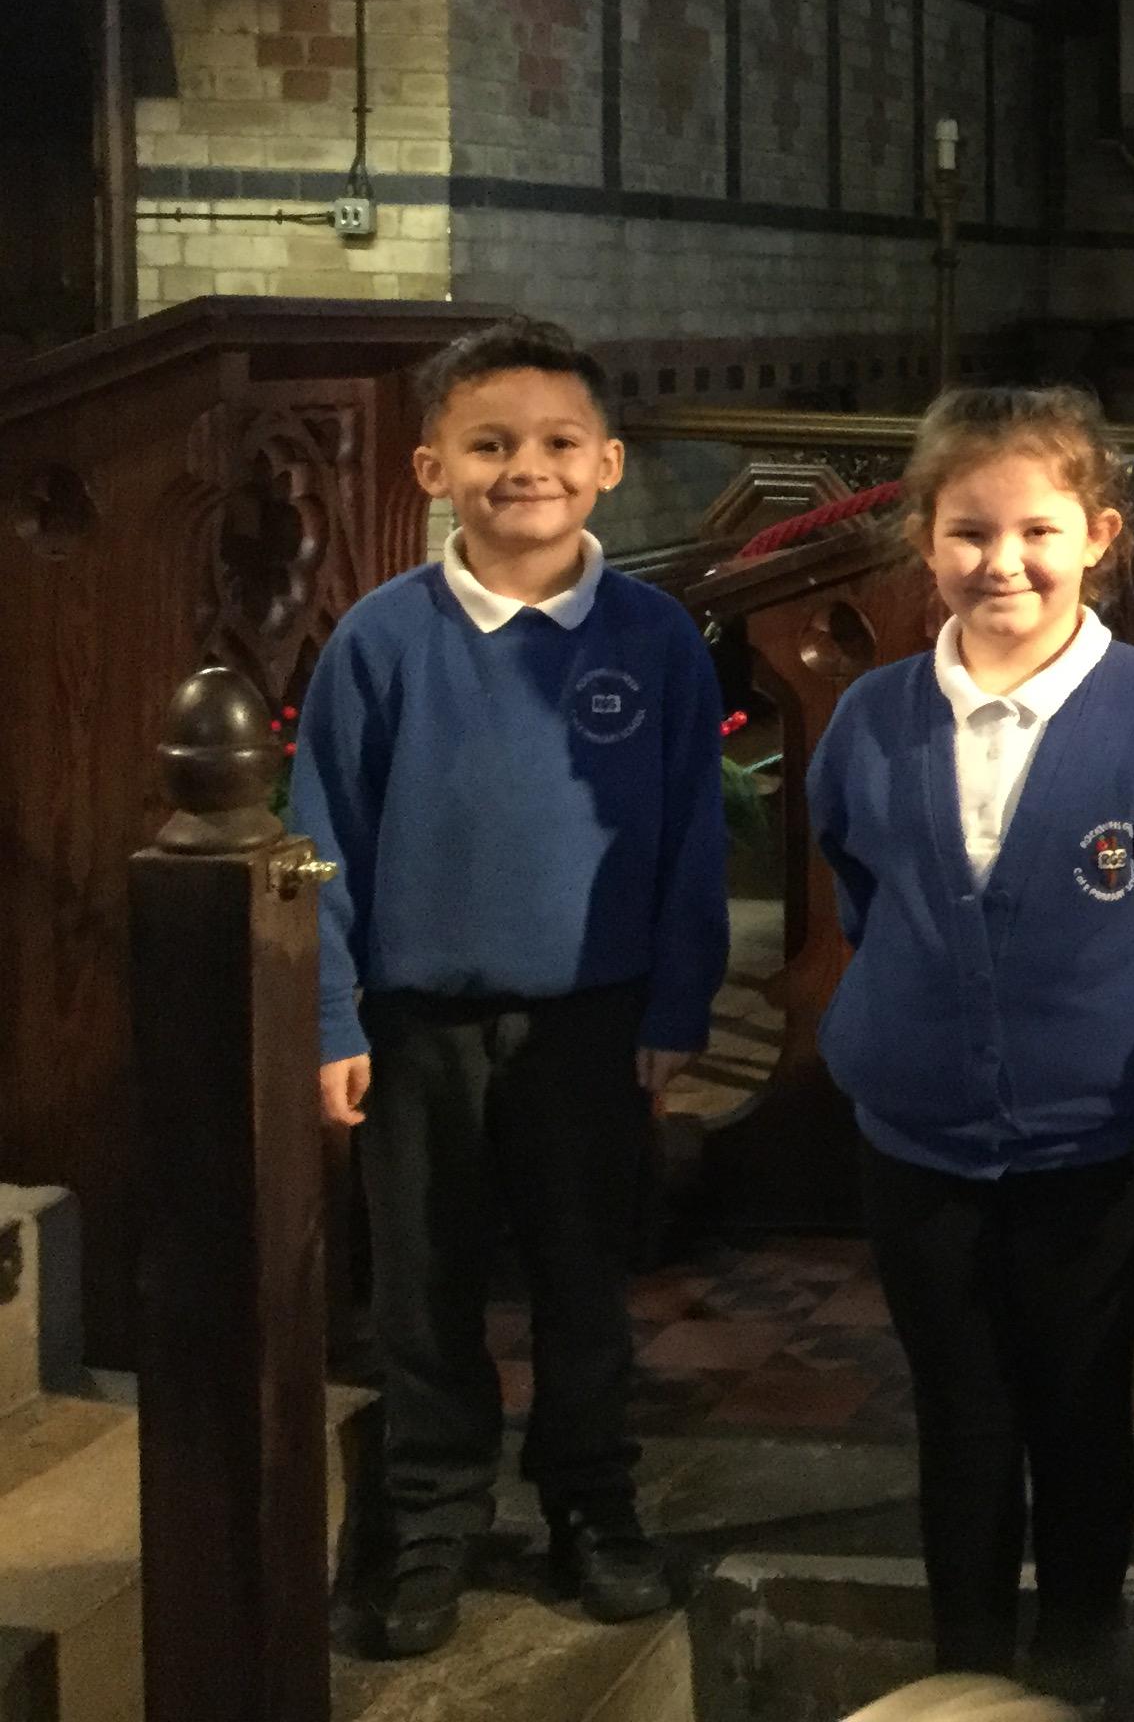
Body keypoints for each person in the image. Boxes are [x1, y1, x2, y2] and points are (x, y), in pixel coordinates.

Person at [293, 316, 727, 1659]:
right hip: (416, 1024)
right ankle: (430, 1518)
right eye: (489, 445)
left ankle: (591, 1502)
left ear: (606, 464)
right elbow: (321, 838)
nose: (524, 468)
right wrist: (331, 1011)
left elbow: (692, 841)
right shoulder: (381, 638)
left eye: (555, 443)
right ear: (433, 468)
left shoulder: (655, 637)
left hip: (592, 1020)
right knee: (422, 1286)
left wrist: (676, 1008)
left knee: (583, 1281)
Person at [808, 386, 1134, 1690]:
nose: (1005, 562)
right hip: (918, 1133)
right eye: (970, 532)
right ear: (924, 540)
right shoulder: (875, 717)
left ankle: (1080, 1646)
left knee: (1080, 1397)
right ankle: (971, 1662)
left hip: (1093, 1130)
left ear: (1099, 534)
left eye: (1038, 530)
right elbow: (861, 884)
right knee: (959, 1404)